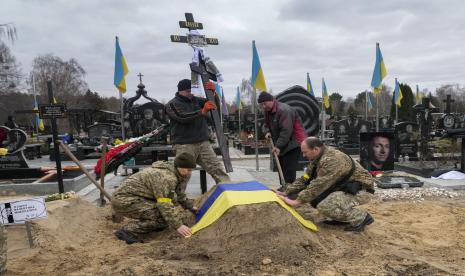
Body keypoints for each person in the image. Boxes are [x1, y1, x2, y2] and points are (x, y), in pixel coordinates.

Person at [277, 137, 375, 232]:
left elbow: (319, 184)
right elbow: (305, 179)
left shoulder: (332, 159)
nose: (303, 155)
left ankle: (361, 217)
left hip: (362, 190)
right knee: (315, 200)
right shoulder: (317, 159)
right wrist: (286, 192)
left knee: (325, 206)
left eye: (305, 152)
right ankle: (341, 219)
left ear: (315, 149)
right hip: (345, 186)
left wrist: (297, 201)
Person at [112, 153, 198, 244]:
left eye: (191, 170)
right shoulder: (167, 177)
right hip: (124, 200)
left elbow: (178, 193)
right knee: (161, 219)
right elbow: (164, 203)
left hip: (137, 197)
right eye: (188, 170)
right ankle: (127, 231)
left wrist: (190, 206)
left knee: (165, 218)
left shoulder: (173, 171)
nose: (190, 173)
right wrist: (178, 226)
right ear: (179, 166)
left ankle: (151, 225)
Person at [165, 79, 230, 184]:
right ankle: (180, 198)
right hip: (184, 144)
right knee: (183, 174)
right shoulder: (172, 104)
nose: (191, 93)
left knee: (217, 168)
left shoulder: (197, 100)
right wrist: (202, 111)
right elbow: (182, 117)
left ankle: (228, 189)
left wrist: (213, 94)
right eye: (187, 91)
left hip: (203, 142)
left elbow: (214, 107)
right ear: (180, 91)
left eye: (192, 90)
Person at [257, 91, 306, 186]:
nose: (263, 106)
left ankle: (290, 189)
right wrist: (266, 131)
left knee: (289, 168)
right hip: (282, 142)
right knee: (281, 167)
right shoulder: (268, 111)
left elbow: (286, 131)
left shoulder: (284, 110)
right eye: (261, 104)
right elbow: (265, 125)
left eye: (264, 103)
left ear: (271, 100)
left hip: (293, 143)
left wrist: (278, 146)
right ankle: (283, 187)